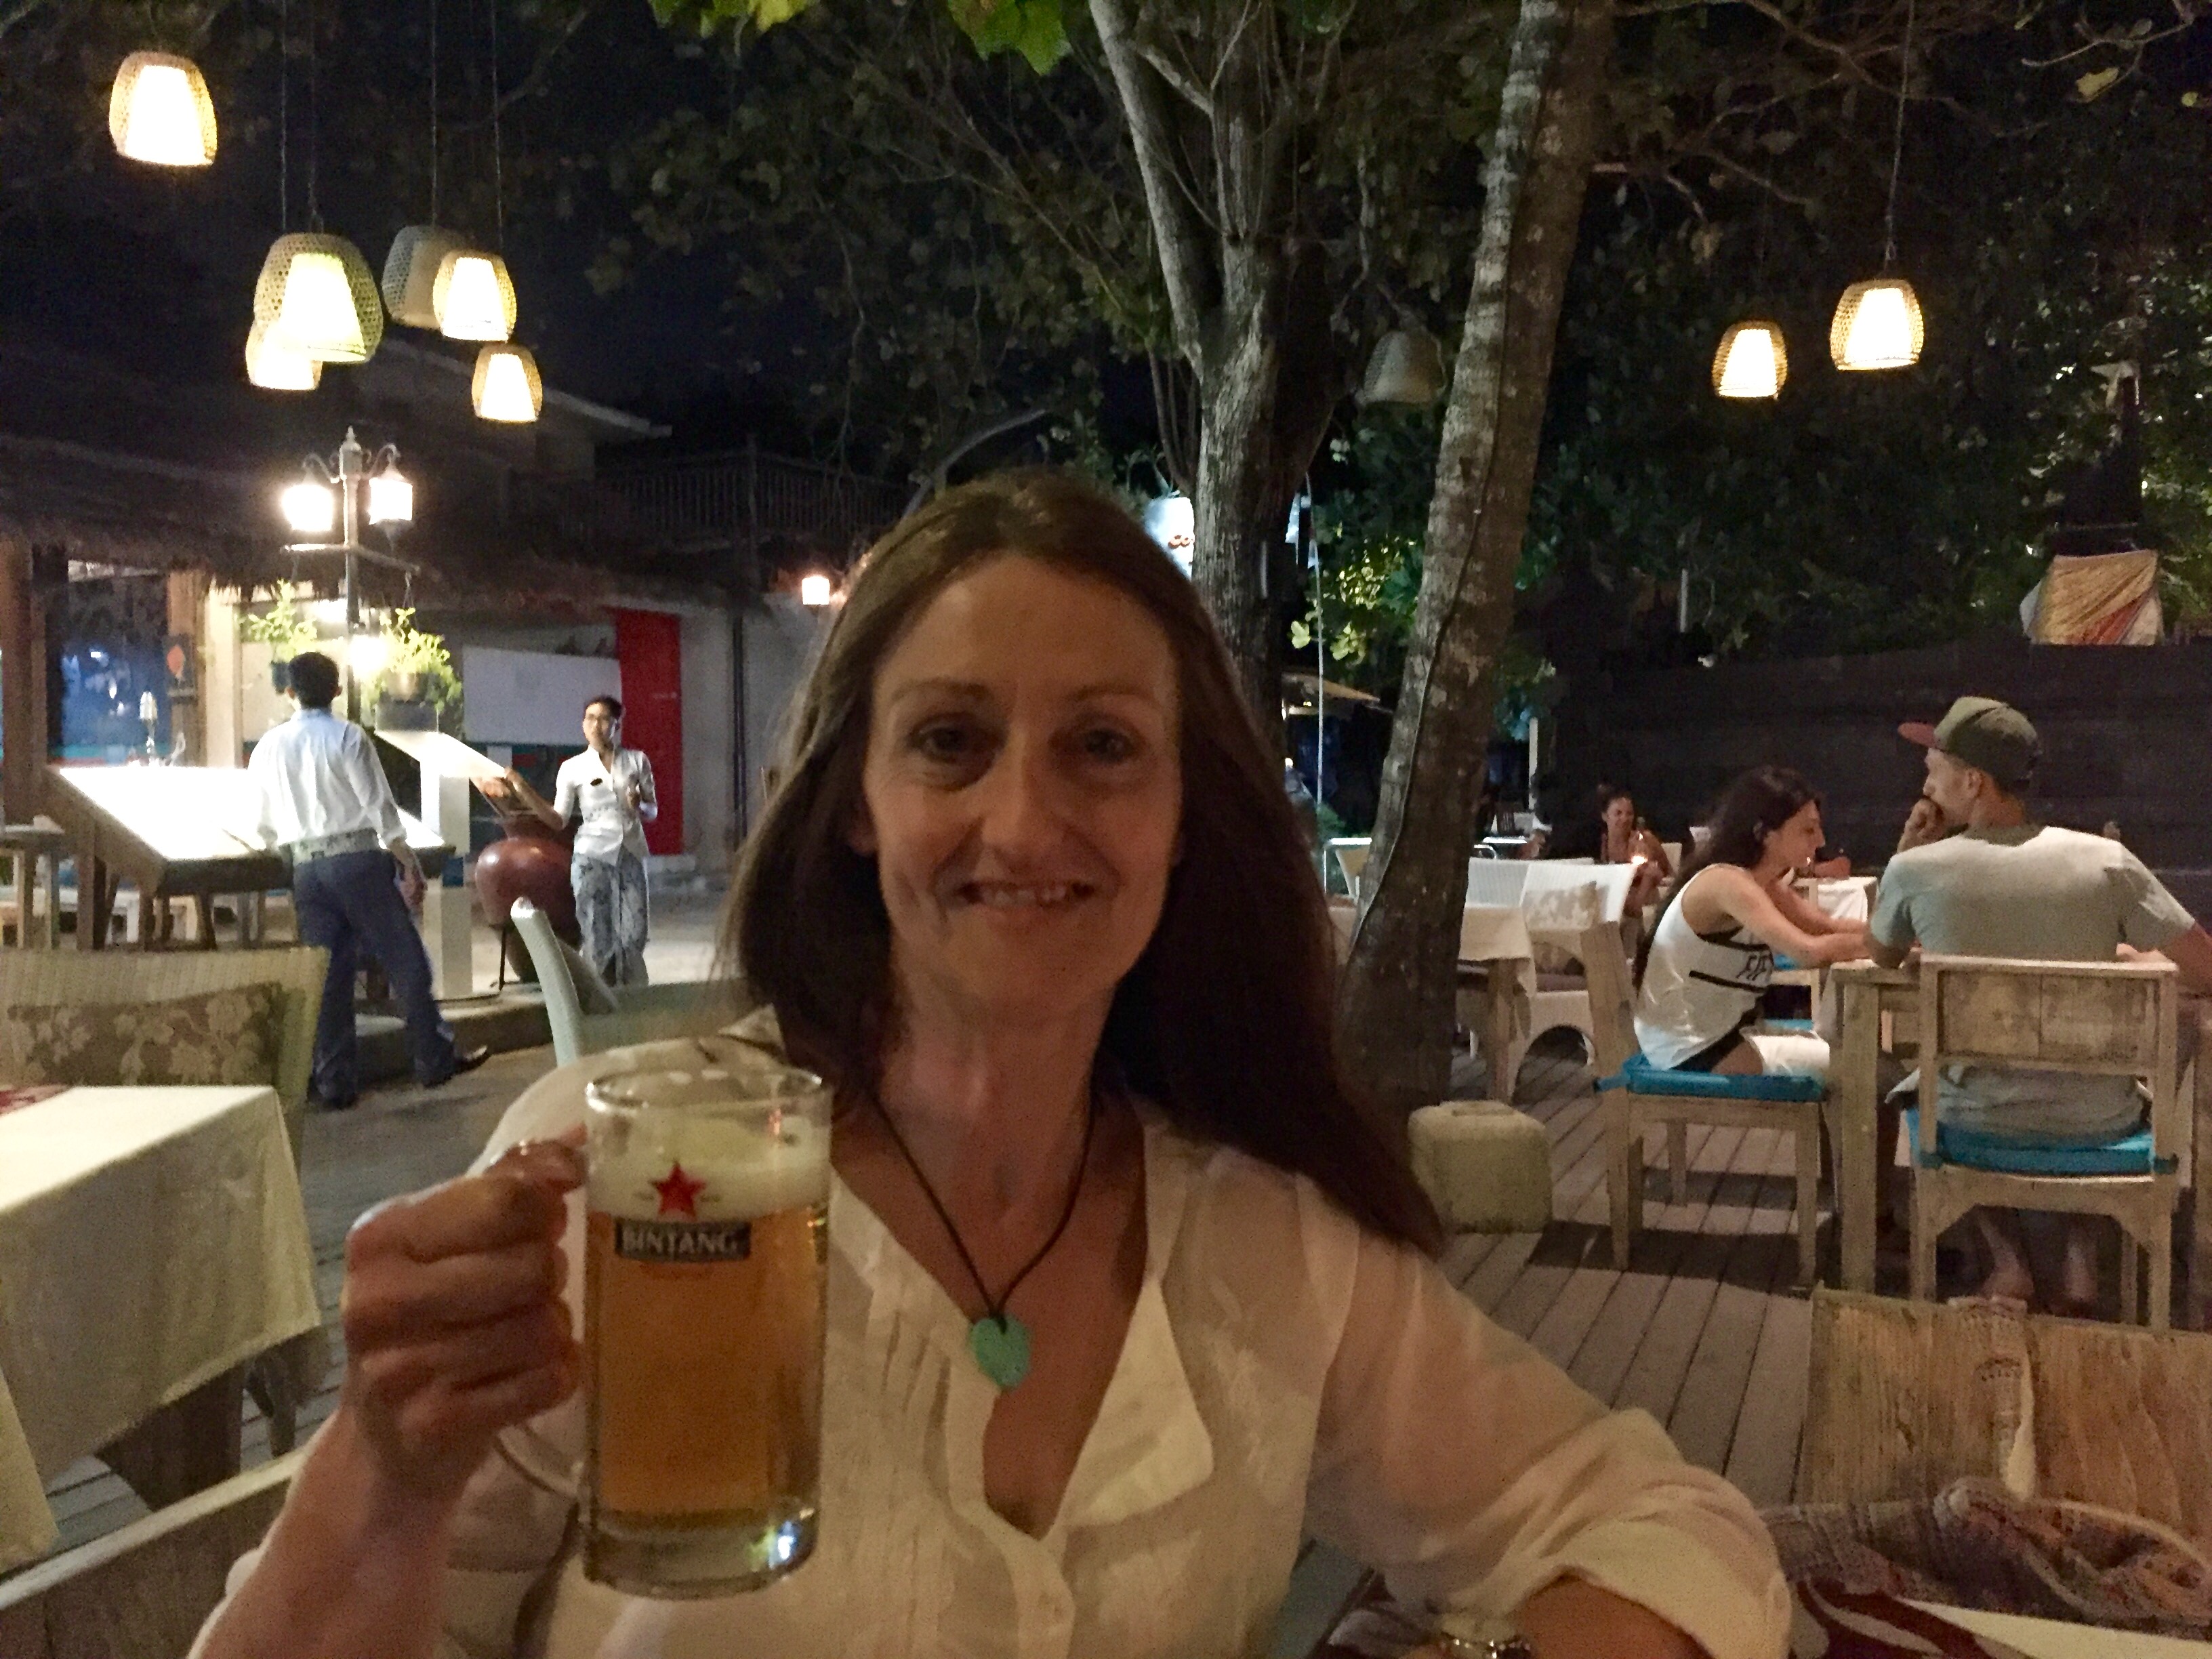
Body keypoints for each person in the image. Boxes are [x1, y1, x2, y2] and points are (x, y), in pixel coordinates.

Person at [193, 474, 1787, 1659]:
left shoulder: (1263, 1238)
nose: (1025, 822)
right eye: (951, 740)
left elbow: (1668, 1524)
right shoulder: (624, 1184)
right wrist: (384, 1470)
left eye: (1102, 746)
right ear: (855, 801)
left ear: (1183, 815)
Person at [1869, 695, 2212, 1311]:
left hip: (1973, 1120)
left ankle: (2008, 1263)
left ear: (1973, 782)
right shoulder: (2105, 861)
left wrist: (1906, 850)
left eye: (1935, 766)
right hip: (2097, 1121)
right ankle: (2080, 1263)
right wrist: (2127, 960)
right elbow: (2205, 968)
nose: (1925, 780)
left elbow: (1883, 955)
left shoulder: (1916, 870)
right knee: (2098, 1088)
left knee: (1935, 1091)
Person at [247, 651, 485, 1109]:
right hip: (357, 862)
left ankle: (335, 1083)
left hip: (306, 870)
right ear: (337, 691)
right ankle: (433, 1059)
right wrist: (408, 861)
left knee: (328, 977)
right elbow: (380, 808)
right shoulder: (348, 737)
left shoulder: (268, 748)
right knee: (405, 959)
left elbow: (263, 826)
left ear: (289, 692)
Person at [1635, 765, 1870, 1081]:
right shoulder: (1726, 882)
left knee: (1864, 1060)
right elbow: (1809, 951)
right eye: (1808, 830)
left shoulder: (1763, 883)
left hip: (1722, 1036)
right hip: (1690, 1049)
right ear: (1765, 832)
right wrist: (1885, 944)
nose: (1821, 840)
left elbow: (1825, 926)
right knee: (1866, 1070)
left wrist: (1902, 933)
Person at [495, 695, 659, 986]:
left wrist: (639, 805)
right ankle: (599, 998)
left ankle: (633, 996)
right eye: (590, 718)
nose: (596, 725)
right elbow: (557, 819)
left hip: (630, 852)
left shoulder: (637, 761)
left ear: (617, 725)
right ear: (583, 725)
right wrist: (522, 788)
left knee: (635, 935)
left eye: (604, 719)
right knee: (597, 935)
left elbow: (652, 811)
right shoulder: (572, 768)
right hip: (591, 855)